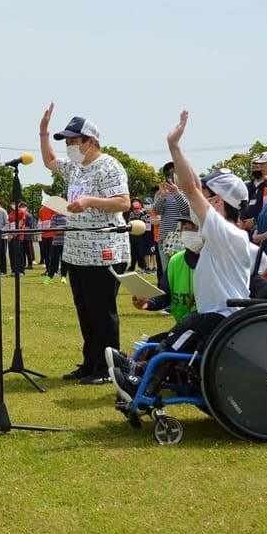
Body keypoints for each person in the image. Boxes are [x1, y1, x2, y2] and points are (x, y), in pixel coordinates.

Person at [110, 110, 252, 403]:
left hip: (224, 319)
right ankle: (136, 366)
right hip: (213, 315)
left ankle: (141, 385)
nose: (201, 200)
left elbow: (191, 188)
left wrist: (174, 147)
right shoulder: (217, 236)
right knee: (175, 331)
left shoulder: (228, 234)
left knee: (184, 334)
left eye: (208, 195)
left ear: (219, 201)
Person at [39, 104, 131, 385]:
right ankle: (90, 362)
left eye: (74, 141)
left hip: (104, 250)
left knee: (102, 312)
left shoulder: (109, 165)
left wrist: (90, 201)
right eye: (67, 142)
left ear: (91, 141)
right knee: (85, 310)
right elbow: (50, 161)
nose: (70, 147)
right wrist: (43, 132)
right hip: (77, 250)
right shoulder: (75, 169)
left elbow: (123, 202)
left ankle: (108, 367)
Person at [131, 213, 201, 323]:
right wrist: (146, 303)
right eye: (186, 228)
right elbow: (164, 296)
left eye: (195, 228)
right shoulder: (176, 261)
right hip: (183, 327)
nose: (190, 232)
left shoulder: (216, 261)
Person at [153, 162, 190, 277]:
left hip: (184, 238)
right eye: (169, 173)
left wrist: (177, 193)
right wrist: (162, 197)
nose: (173, 175)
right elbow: (157, 210)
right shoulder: (161, 192)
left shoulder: (188, 191)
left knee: (182, 273)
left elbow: (187, 210)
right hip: (165, 238)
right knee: (167, 274)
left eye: (175, 172)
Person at [241, 151, 267, 235]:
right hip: (257, 231)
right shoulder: (265, 184)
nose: (260, 167)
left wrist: (255, 221)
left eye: (263, 164)